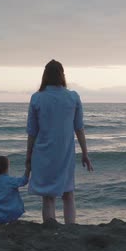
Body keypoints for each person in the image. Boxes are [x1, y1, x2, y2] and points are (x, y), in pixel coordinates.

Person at [25, 59, 93, 224]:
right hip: (65, 152)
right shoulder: (73, 97)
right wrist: (85, 153)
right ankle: (71, 227)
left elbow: (32, 132)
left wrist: (28, 157)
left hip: (43, 152)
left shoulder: (37, 98)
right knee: (68, 193)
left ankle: (49, 229)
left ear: (45, 76)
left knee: (48, 197)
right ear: (62, 75)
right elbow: (79, 128)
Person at [0, 155, 30, 227]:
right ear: (7, 168)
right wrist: (28, 169)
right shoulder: (11, 181)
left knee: (0, 226)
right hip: (13, 211)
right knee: (13, 225)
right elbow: (24, 181)